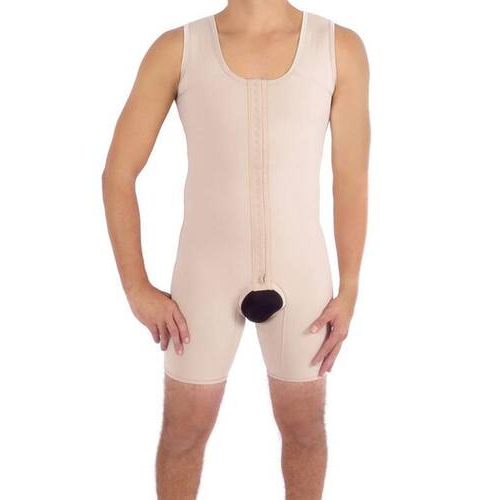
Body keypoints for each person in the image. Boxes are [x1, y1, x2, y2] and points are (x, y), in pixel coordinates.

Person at [102, 0, 369, 498]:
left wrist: (350, 286)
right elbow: (118, 173)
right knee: (184, 432)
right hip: (205, 275)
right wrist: (136, 287)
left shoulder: (337, 48)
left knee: (305, 429)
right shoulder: (178, 49)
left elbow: (350, 178)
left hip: (302, 274)